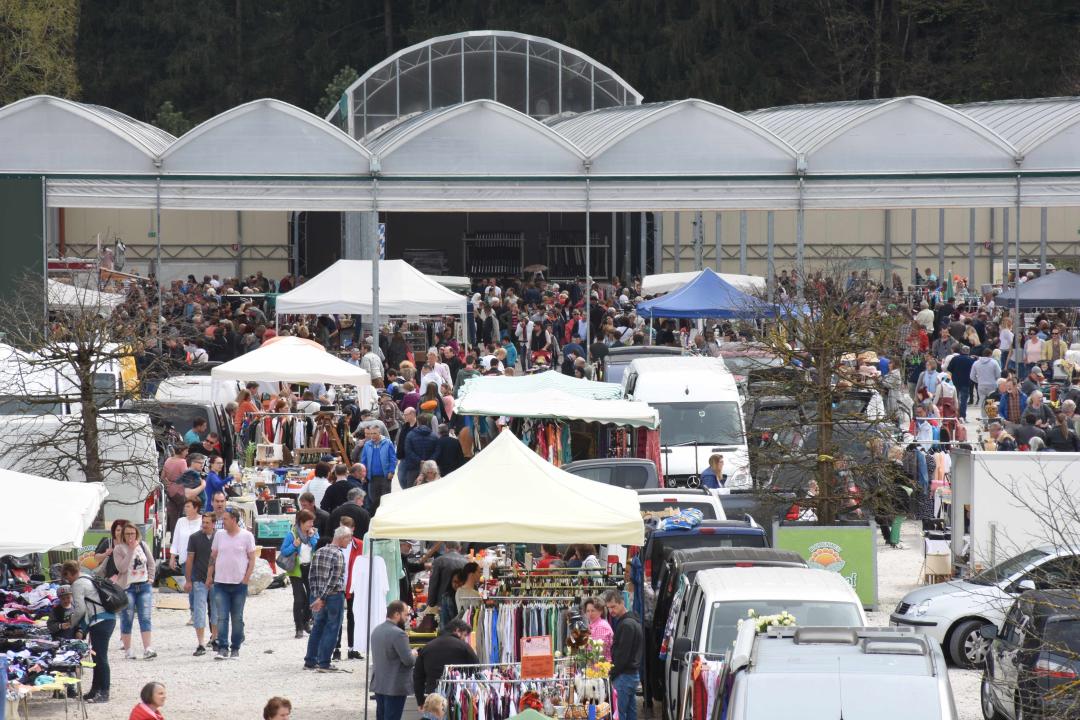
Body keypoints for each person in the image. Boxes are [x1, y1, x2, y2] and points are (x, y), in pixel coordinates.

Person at [207, 506, 256, 659]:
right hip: (221, 583)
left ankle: (235, 647)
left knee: (237, 618)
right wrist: (209, 576)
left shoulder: (247, 536)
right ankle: (223, 647)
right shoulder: (219, 535)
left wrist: (246, 578)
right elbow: (213, 556)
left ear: (234, 520)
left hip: (239, 584)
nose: (223, 522)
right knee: (221, 617)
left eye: (226, 519)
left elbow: (252, 559)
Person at [63, 560, 115, 704]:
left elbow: (80, 610)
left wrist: (71, 624)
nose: (67, 580)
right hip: (107, 619)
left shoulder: (77, 584)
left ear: (71, 573)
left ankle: (104, 692)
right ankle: (94, 690)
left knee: (100, 658)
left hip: (100, 622)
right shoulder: (88, 577)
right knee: (96, 657)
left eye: (67, 576)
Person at [304, 526, 350, 672]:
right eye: (348, 539)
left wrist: (316, 596)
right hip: (333, 596)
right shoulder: (338, 554)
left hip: (318, 595)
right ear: (342, 538)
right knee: (332, 628)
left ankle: (310, 661)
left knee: (317, 627)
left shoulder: (319, 551)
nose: (349, 542)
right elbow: (334, 580)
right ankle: (324, 663)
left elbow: (311, 576)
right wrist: (323, 597)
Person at [112, 522, 157, 660]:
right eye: (127, 534)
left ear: (137, 534)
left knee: (145, 617)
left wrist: (151, 578)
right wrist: (131, 550)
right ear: (123, 535)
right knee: (127, 617)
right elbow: (121, 568)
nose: (130, 536)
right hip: (128, 587)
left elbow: (151, 562)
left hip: (144, 585)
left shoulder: (143, 545)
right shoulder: (119, 549)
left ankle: (147, 648)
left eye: (132, 533)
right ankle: (128, 649)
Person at [413, 619, 478, 707]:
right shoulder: (464, 647)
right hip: (457, 697)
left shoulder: (427, 648)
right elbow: (476, 669)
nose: (464, 639)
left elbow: (418, 677)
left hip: (432, 696)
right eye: (464, 635)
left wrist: (420, 701)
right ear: (457, 631)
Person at [370, 601, 417, 720]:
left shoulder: (376, 630)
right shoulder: (399, 634)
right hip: (395, 686)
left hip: (380, 684)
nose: (407, 618)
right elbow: (409, 661)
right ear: (397, 614)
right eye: (405, 614)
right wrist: (413, 653)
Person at [281, 509, 319, 639]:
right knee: (298, 599)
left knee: (311, 597)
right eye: (309, 522)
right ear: (302, 522)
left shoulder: (314, 533)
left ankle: (306, 621)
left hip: (310, 569)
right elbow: (284, 551)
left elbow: (318, 548)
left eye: (312, 522)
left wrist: (312, 537)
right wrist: (294, 545)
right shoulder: (292, 534)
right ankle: (298, 627)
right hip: (296, 570)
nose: (311, 524)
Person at [604, 590, 642, 720]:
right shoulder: (632, 621)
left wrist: (612, 673)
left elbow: (622, 655)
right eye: (609, 608)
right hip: (631, 674)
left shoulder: (626, 624)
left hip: (624, 675)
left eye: (613, 606)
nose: (611, 611)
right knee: (630, 712)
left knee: (619, 714)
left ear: (622, 603)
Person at [185, 512, 217, 656]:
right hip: (199, 579)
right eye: (203, 522)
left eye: (207, 523)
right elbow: (190, 559)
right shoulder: (194, 538)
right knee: (199, 611)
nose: (204, 525)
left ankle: (215, 638)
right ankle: (200, 643)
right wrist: (188, 580)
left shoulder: (219, 537)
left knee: (216, 610)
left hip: (217, 579)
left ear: (213, 524)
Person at [427, 542, 467, 628]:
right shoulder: (466, 561)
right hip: (461, 600)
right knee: (459, 627)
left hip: (442, 602)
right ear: (459, 548)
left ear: (446, 548)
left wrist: (431, 603)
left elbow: (433, 583)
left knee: (445, 628)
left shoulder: (439, 561)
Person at [166, 453, 205, 535]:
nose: (202, 465)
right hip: (194, 510)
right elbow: (188, 494)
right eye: (199, 463)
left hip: (197, 509)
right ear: (192, 462)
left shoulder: (194, 473)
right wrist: (203, 486)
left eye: (203, 463)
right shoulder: (190, 474)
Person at [361, 425, 397, 511]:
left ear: (379, 433)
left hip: (385, 477)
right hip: (372, 478)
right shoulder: (367, 445)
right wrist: (363, 475)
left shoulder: (388, 443)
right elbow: (363, 461)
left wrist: (391, 471)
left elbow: (393, 459)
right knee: (374, 500)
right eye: (371, 433)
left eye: (374, 433)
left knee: (386, 499)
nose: (372, 435)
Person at [401, 412, 437, 488]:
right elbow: (437, 451)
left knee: (411, 490)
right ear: (427, 423)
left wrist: (420, 461)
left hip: (413, 468)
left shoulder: (410, 435)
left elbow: (408, 450)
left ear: (418, 422)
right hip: (430, 469)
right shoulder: (434, 436)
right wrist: (428, 461)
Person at [583, 597, 614, 661]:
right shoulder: (594, 624)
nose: (590, 614)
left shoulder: (600, 626)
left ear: (600, 611)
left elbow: (598, 653)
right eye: (588, 611)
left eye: (593, 610)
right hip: (597, 664)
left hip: (601, 665)